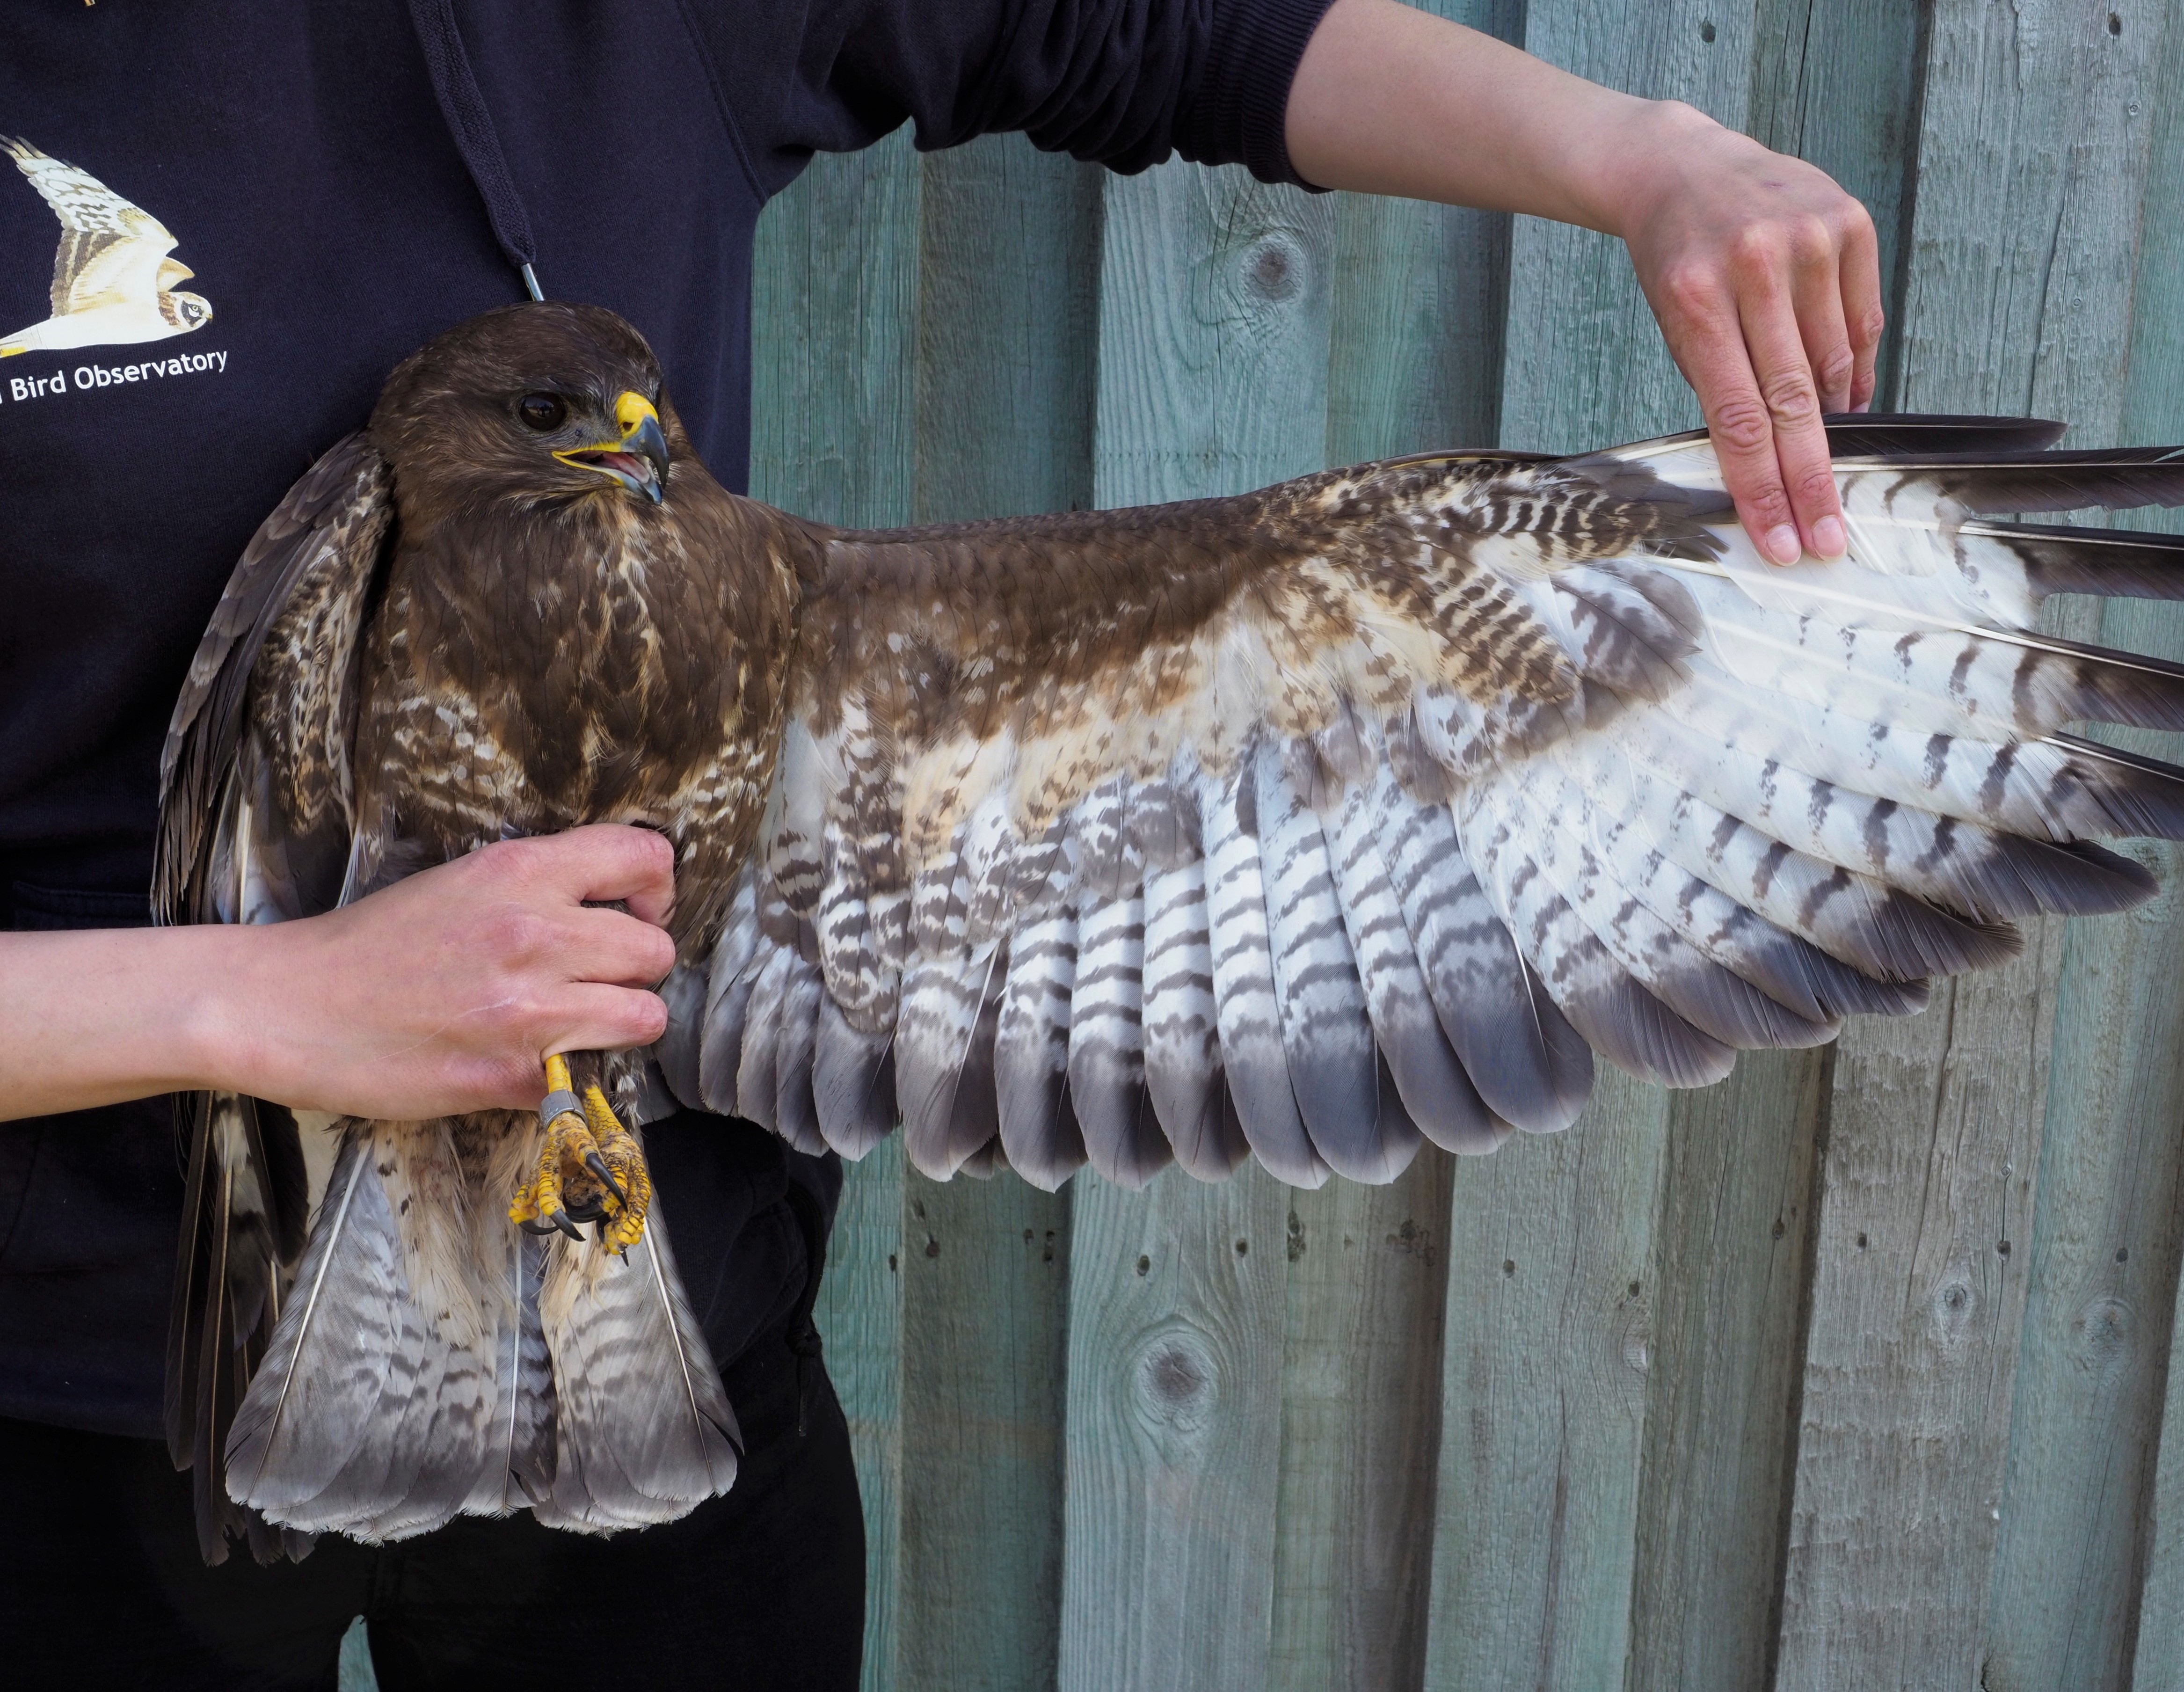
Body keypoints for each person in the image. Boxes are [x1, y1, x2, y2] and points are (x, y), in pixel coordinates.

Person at [0, 0, 1879, 1685]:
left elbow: (1163, 29)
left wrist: (1642, 155)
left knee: (1409, 580)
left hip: (655, 1315)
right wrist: (260, 995)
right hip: (75, 1391)